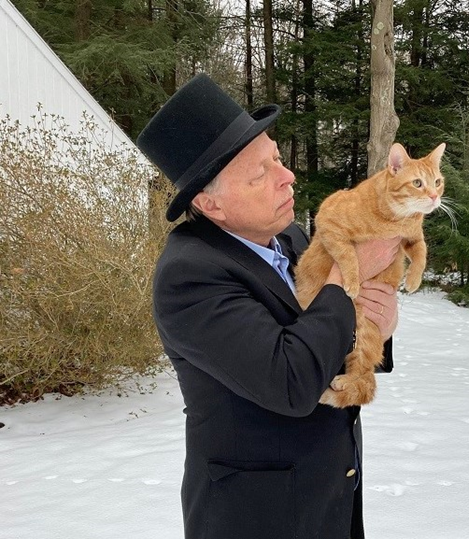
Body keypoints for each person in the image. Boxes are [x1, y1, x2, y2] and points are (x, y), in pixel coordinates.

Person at [136, 73, 400, 539]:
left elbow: (330, 337)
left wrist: (379, 323)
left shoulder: (290, 236)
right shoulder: (190, 275)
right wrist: (346, 273)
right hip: (258, 515)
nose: (288, 176)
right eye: (262, 174)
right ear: (209, 204)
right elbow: (292, 381)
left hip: (330, 495)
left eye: (277, 158)